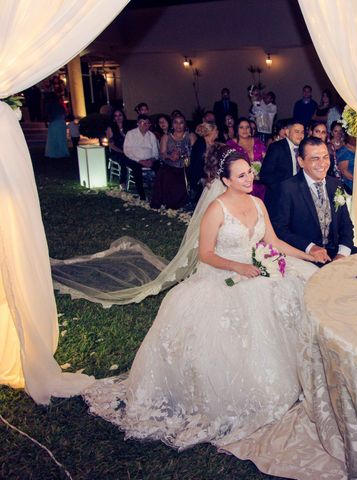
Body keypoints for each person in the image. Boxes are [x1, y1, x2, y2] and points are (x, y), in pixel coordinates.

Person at [83, 144, 322, 450]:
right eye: (241, 175)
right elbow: (206, 254)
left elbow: (273, 241)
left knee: (296, 292)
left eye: (250, 172)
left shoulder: (258, 204)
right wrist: (238, 266)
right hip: (224, 275)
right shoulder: (216, 209)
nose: (249, 179)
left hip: (258, 267)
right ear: (225, 180)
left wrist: (307, 255)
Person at [271, 136, 357, 264]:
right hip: (305, 256)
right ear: (301, 161)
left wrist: (342, 254)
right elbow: (280, 230)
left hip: (336, 251)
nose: (322, 164)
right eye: (315, 159)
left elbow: (346, 224)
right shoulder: (287, 188)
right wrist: (310, 247)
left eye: (325, 157)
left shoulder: (336, 185)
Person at [151, 113, 196, 210]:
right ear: (172, 124)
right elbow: (162, 154)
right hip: (170, 164)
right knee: (165, 174)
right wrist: (170, 157)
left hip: (186, 165)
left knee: (186, 176)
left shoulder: (191, 136)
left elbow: (195, 153)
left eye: (181, 123)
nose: (178, 125)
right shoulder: (166, 137)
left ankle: (183, 201)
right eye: (175, 122)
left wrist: (184, 156)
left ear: (185, 124)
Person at [260, 120, 305, 214]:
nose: (300, 135)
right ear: (287, 132)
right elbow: (265, 175)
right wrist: (283, 189)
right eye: (296, 132)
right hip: (279, 197)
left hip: (300, 196)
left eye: (302, 132)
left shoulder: (304, 148)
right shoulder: (276, 147)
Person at [226, 117, 267, 200]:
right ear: (236, 129)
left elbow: (267, 160)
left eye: (247, 127)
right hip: (241, 184)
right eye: (241, 127)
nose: (245, 130)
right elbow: (228, 165)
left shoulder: (257, 142)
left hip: (259, 183)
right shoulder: (230, 144)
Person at [123, 114, 159, 201]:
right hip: (134, 159)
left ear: (150, 125)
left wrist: (151, 160)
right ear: (138, 123)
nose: (145, 125)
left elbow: (156, 152)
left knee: (160, 169)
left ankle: (159, 192)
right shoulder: (131, 134)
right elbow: (127, 151)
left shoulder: (152, 136)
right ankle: (142, 195)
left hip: (149, 159)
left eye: (147, 123)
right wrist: (139, 161)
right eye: (142, 123)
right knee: (136, 169)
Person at [188, 122, 219, 206]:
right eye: (216, 130)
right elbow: (197, 165)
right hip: (200, 175)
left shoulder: (216, 144)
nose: (217, 132)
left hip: (214, 173)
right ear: (210, 132)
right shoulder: (200, 144)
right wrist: (204, 178)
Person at [106, 109, 131, 189]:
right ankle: (122, 181)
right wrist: (122, 151)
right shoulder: (111, 128)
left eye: (120, 115)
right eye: (116, 116)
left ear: (123, 116)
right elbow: (111, 145)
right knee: (123, 159)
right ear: (113, 118)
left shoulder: (128, 127)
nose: (118, 117)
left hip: (129, 150)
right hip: (116, 151)